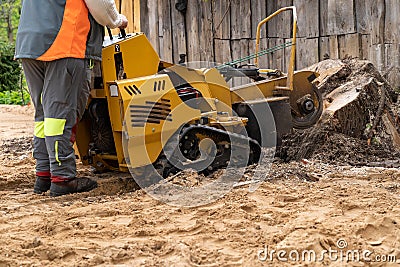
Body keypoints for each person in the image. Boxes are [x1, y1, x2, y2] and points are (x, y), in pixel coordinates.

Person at [15, 0, 128, 197]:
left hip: (29, 44)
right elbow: (100, 5)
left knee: (45, 115)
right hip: (64, 43)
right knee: (60, 115)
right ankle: (63, 178)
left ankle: (45, 174)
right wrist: (117, 20)